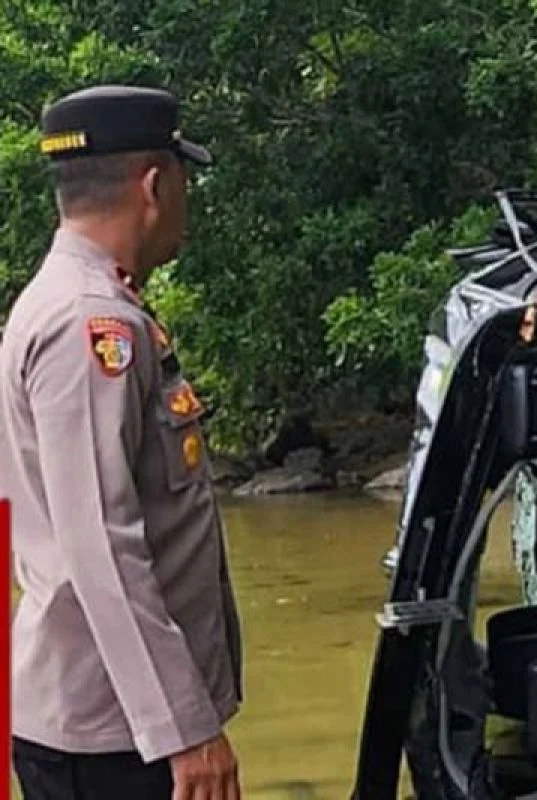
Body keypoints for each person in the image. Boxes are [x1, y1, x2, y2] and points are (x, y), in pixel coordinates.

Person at [0, 85, 244, 799]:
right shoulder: (88, 325)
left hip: (117, 725)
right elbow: (101, 546)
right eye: (183, 180)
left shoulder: (76, 304)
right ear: (154, 183)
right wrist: (185, 731)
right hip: (118, 740)